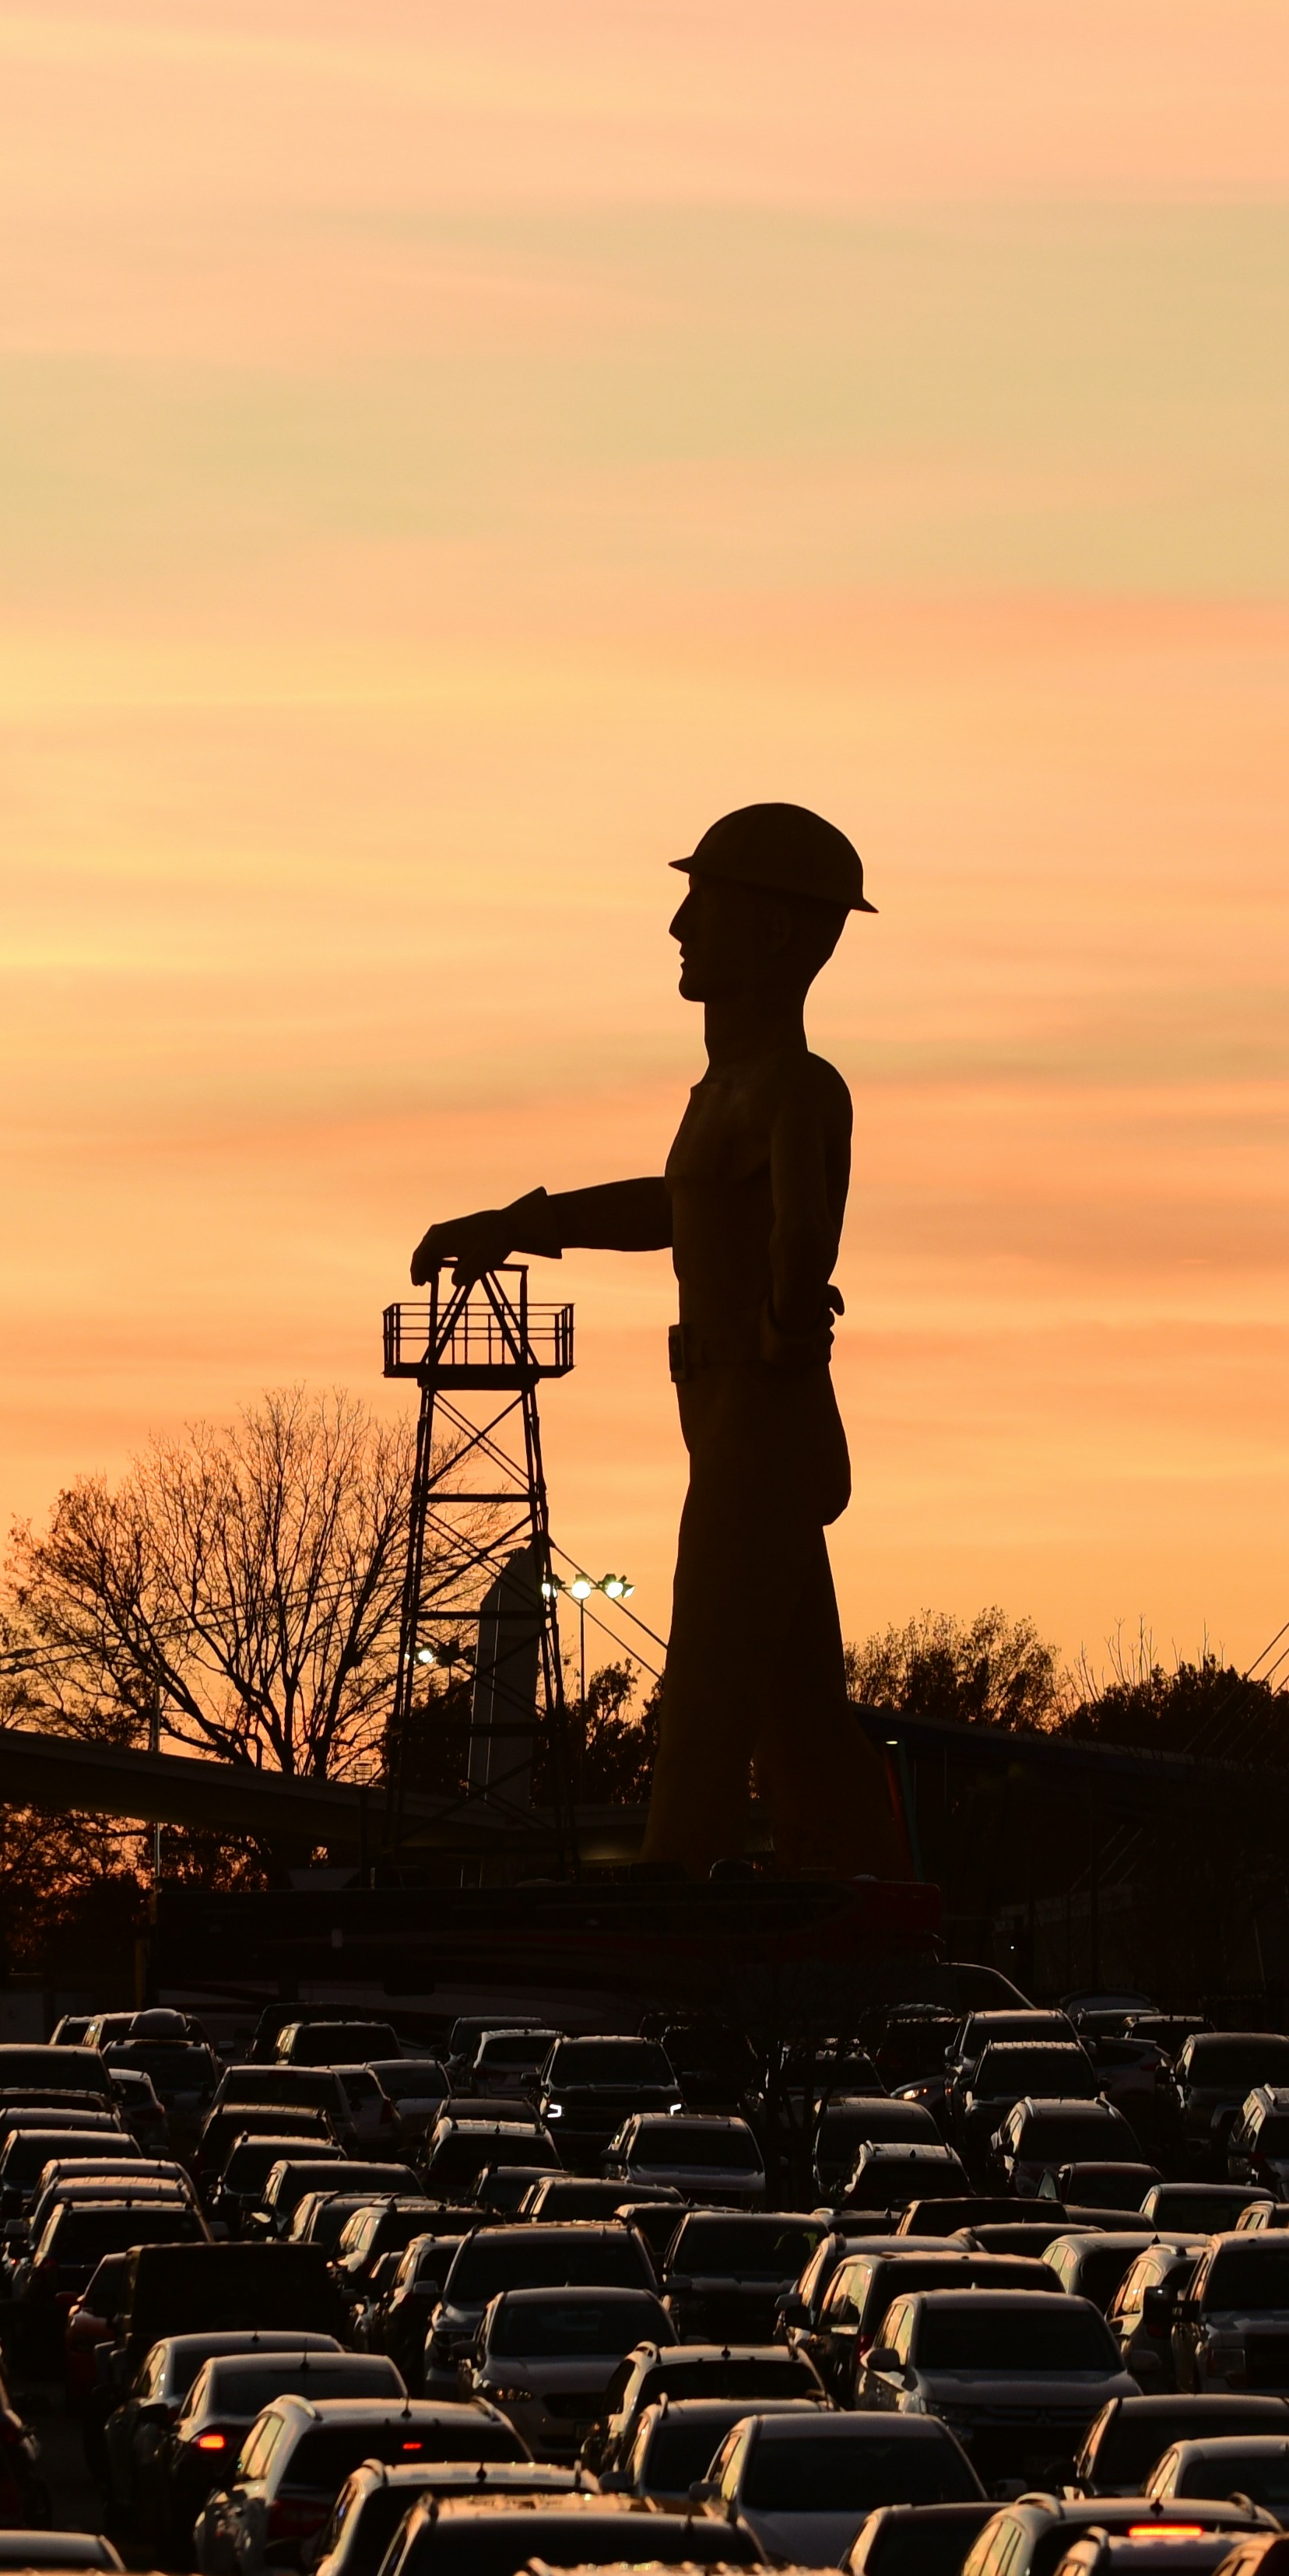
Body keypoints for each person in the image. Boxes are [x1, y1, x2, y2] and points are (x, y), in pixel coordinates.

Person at [413, 805, 914, 1879]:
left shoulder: (795, 1087)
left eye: (706, 902)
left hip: (758, 1417)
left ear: (775, 934)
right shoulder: (730, 1092)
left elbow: (803, 1229)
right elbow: (676, 1208)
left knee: (701, 1710)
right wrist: (520, 1225)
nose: (678, 925)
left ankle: (671, 1911)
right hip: (729, 1411)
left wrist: (785, 1322)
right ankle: (869, 1902)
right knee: (799, 1718)